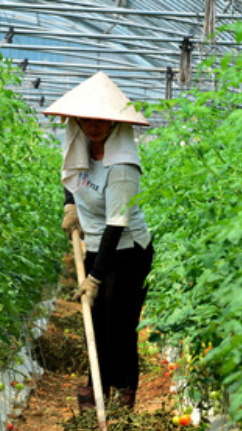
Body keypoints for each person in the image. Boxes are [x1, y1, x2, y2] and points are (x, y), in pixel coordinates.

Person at [43, 72, 154, 410]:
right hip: (97, 245)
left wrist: (94, 277)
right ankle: (97, 386)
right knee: (96, 320)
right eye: (87, 118)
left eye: (102, 120)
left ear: (115, 124)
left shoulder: (122, 167)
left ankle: (122, 393)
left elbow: (116, 225)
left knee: (118, 323)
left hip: (127, 252)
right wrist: (70, 205)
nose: (94, 125)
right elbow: (73, 176)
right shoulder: (82, 149)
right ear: (77, 120)